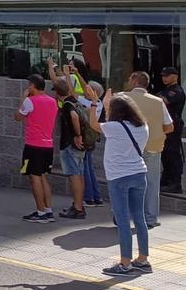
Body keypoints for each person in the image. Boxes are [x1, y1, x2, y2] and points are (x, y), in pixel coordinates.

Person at [84, 86, 152, 277]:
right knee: (139, 219)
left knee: (122, 221)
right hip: (139, 174)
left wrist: (96, 104)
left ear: (117, 111)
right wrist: (108, 105)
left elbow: (93, 124)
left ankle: (125, 263)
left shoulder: (113, 127)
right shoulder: (142, 126)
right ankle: (143, 260)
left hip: (119, 178)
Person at [125, 71, 175, 228]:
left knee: (125, 181)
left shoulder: (122, 98)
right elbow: (169, 126)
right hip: (152, 146)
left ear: (134, 81)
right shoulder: (158, 101)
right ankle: (150, 218)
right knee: (152, 183)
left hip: (127, 147)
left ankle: (123, 215)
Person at [15, 74, 58, 222]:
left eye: (29, 85)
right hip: (48, 145)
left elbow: (18, 117)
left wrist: (23, 99)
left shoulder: (29, 101)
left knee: (35, 178)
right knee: (44, 176)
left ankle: (40, 212)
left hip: (34, 145)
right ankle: (48, 210)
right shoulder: (53, 101)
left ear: (32, 86)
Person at [52, 79, 87, 220]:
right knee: (79, 174)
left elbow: (73, 116)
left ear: (57, 93)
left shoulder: (67, 105)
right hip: (78, 146)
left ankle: (78, 208)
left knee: (74, 176)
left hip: (70, 145)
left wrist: (77, 135)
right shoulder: (75, 100)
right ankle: (79, 204)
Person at [159, 67, 184, 194]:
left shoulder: (177, 91)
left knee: (172, 154)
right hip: (164, 125)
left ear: (175, 76)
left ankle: (176, 183)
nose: (164, 78)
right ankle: (167, 179)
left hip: (173, 126)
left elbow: (163, 102)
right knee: (165, 154)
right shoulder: (166, 90)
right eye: (163, 76)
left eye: (167, 76)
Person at [83, 80, 106, 207]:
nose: (84, 91)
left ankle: (89, 197)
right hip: (92, 138)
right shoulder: (98, 103)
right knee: (89, 168)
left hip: (87, 138)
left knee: (86, 168)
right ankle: (96, 197)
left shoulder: (90, 103)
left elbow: (73, 94)